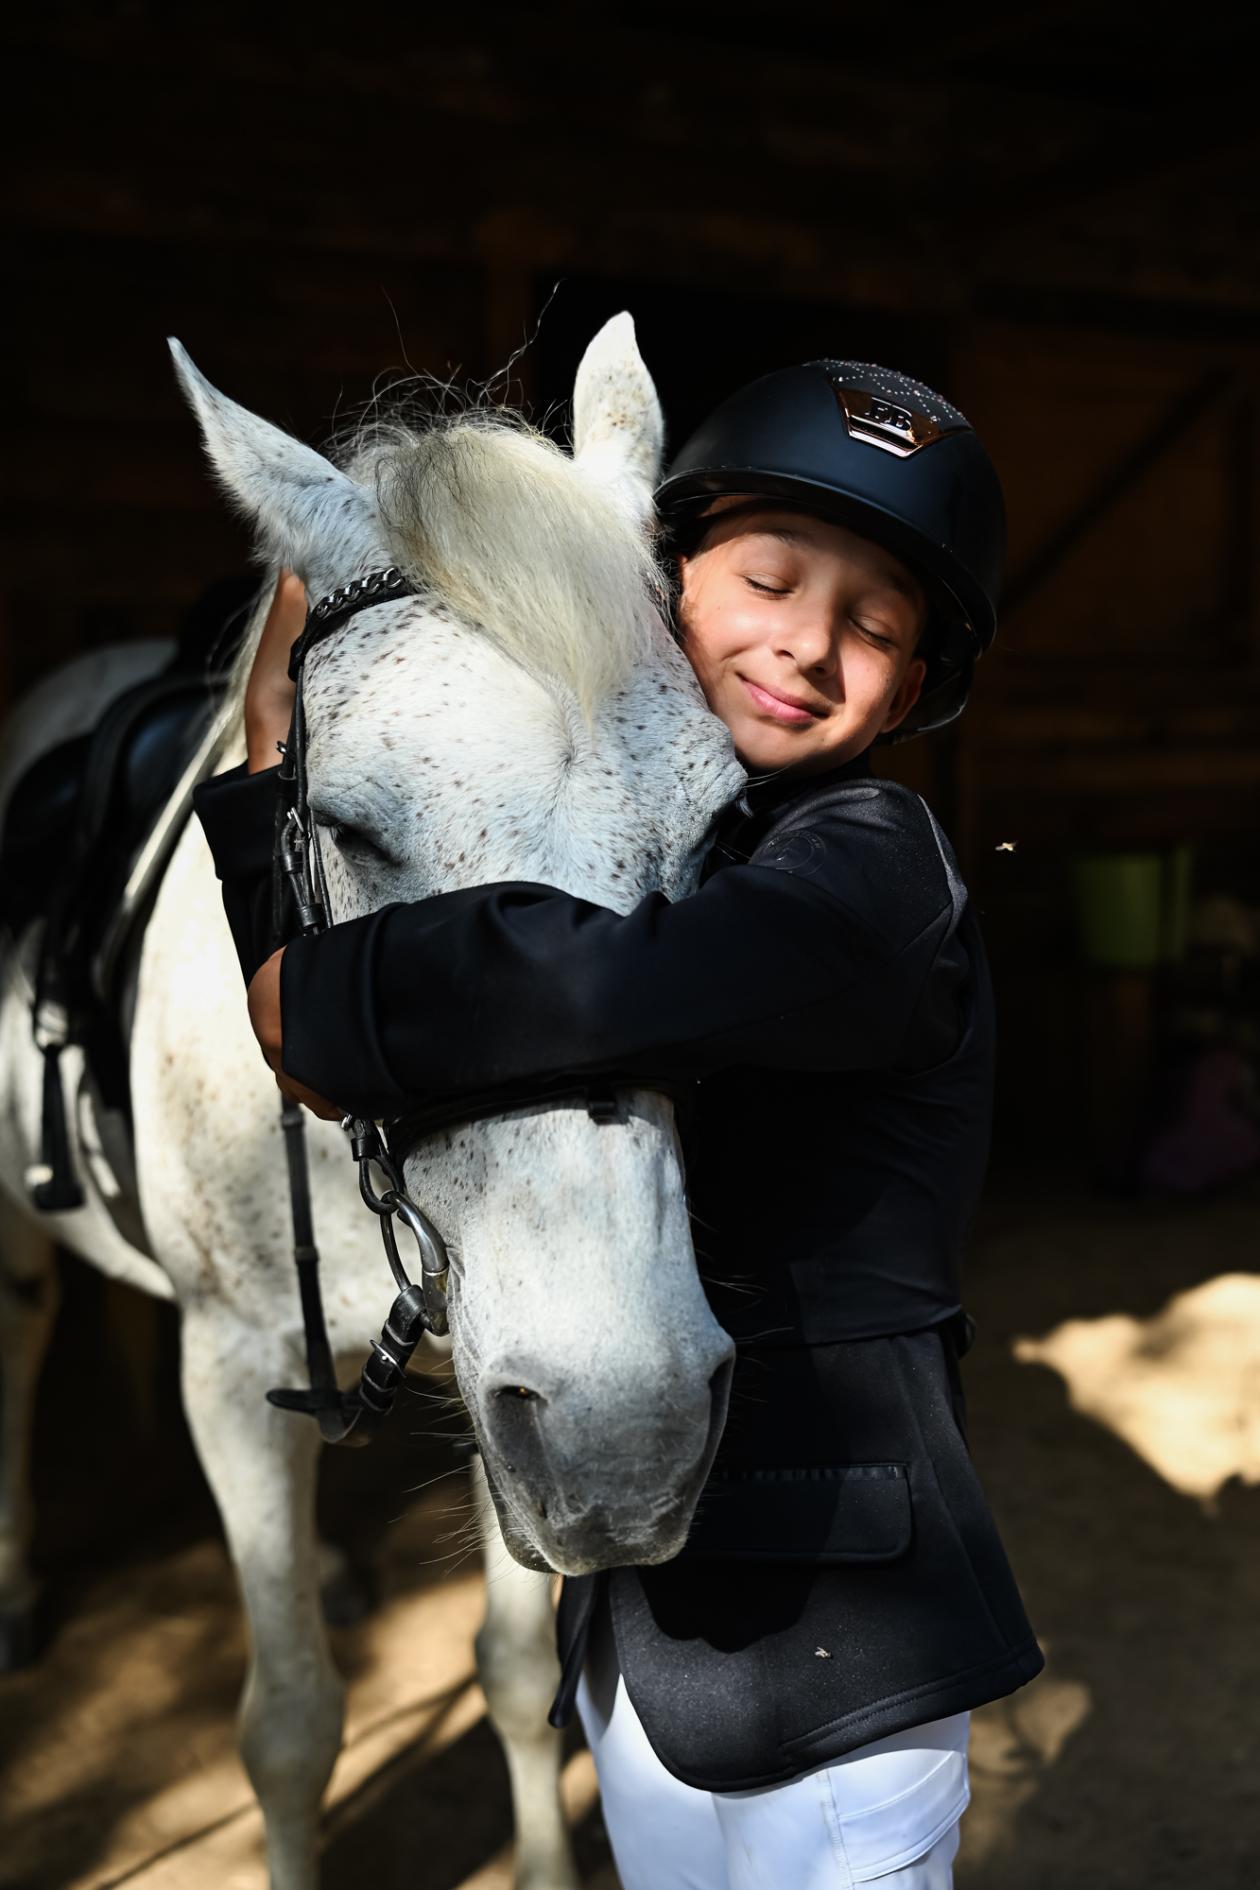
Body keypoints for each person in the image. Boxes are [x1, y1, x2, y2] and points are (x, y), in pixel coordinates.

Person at [194, 358, 1043, 1889]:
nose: (807, 641)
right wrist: (279, 778)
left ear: (913, 688)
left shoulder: (877, 868)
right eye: (770, 582)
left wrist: (297, 977)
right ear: (662, 593)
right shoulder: (664, 830)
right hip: (640, 1638)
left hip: (841, 1645)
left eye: (875, 627)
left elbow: (591, 984)